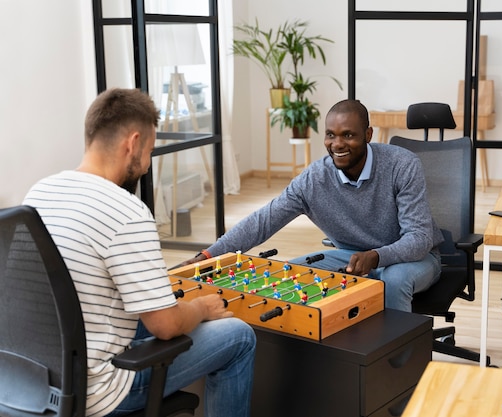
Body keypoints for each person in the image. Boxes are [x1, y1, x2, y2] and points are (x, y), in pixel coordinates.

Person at [22, 88, 256, 417]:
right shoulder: (127, 212)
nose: (146, 166)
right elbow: (165, 326)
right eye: (149, 152)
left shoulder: (40, 191)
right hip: (98, 392)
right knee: (239, 337)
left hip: (36, 380)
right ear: (132, 143)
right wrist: (201, 307)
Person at [184, 99, 444, 312]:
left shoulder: (402, 164)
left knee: (394, 280)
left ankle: (398, 364)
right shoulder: (314, 179)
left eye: (348, 135)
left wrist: (377, 256)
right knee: (292, 274)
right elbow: (263, 221)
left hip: (414, 260)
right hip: (351, 257)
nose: (337, 144)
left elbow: (419, 238)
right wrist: (208, 256)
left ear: (368, 135)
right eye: (331, 135)